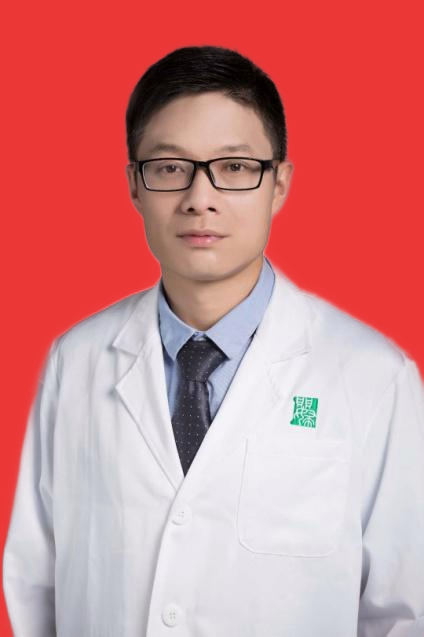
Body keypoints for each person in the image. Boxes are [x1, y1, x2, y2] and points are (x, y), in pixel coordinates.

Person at [3, 45, 424, 637]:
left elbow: (402, 612)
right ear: (134, 185)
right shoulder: (75, 361)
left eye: (235, 167)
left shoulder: (373, 377)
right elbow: (34, 582)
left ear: (278, 184)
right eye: (169, 167)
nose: (200, 198)